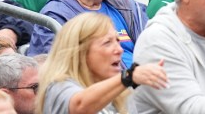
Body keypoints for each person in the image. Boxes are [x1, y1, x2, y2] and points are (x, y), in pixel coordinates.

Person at [36, 12, 168, 114]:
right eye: (107, 43)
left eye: (118, 41)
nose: (119, 50)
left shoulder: (121, 93)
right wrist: (128, 77)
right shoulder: (58, 87)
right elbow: (80, 106)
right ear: (80, 52)